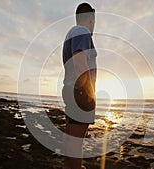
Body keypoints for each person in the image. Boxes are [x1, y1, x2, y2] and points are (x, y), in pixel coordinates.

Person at [61, 3, 97, 169]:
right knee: (76, 144)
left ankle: (69, 166)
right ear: (91, 18)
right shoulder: (82, 32)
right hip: (80, 93)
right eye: (94, 19)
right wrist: (90, 94)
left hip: (71, 90)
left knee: (70, 140)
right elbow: (80, 62)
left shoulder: (72, 33)